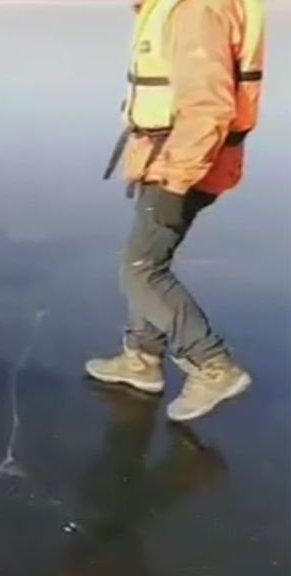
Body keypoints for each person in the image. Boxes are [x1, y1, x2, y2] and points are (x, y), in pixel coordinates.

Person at [87, 0, 264, 421]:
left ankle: (213, 365)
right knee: (148, 256)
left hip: (183, 161)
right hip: (167, 155)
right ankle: (142, 359)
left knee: (142, 268)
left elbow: (209, 106)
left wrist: (177, 176)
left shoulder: (196, 10)